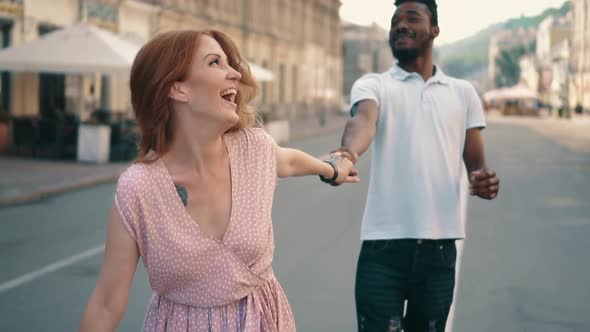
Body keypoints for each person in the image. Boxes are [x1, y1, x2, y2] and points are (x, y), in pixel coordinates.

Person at [78, 29, 358, 332]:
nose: (235, 74)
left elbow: (288, 160)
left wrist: (332, 170)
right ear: (178, 89)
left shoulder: (253, 148)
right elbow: (107, 301)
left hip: (262, 320)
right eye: (215, 63)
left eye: (230, 63)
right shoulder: (139, 188)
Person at [328, 1, 500, 331]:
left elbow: (477, 166)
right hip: (382, 250)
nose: (400, 25)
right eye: (395, 20)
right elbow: (363, 121)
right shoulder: (374, 84)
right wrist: (346, 155)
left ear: (434, 30)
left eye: (412, 18)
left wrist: (483, 180)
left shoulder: (464, 93)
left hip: (439, 251)